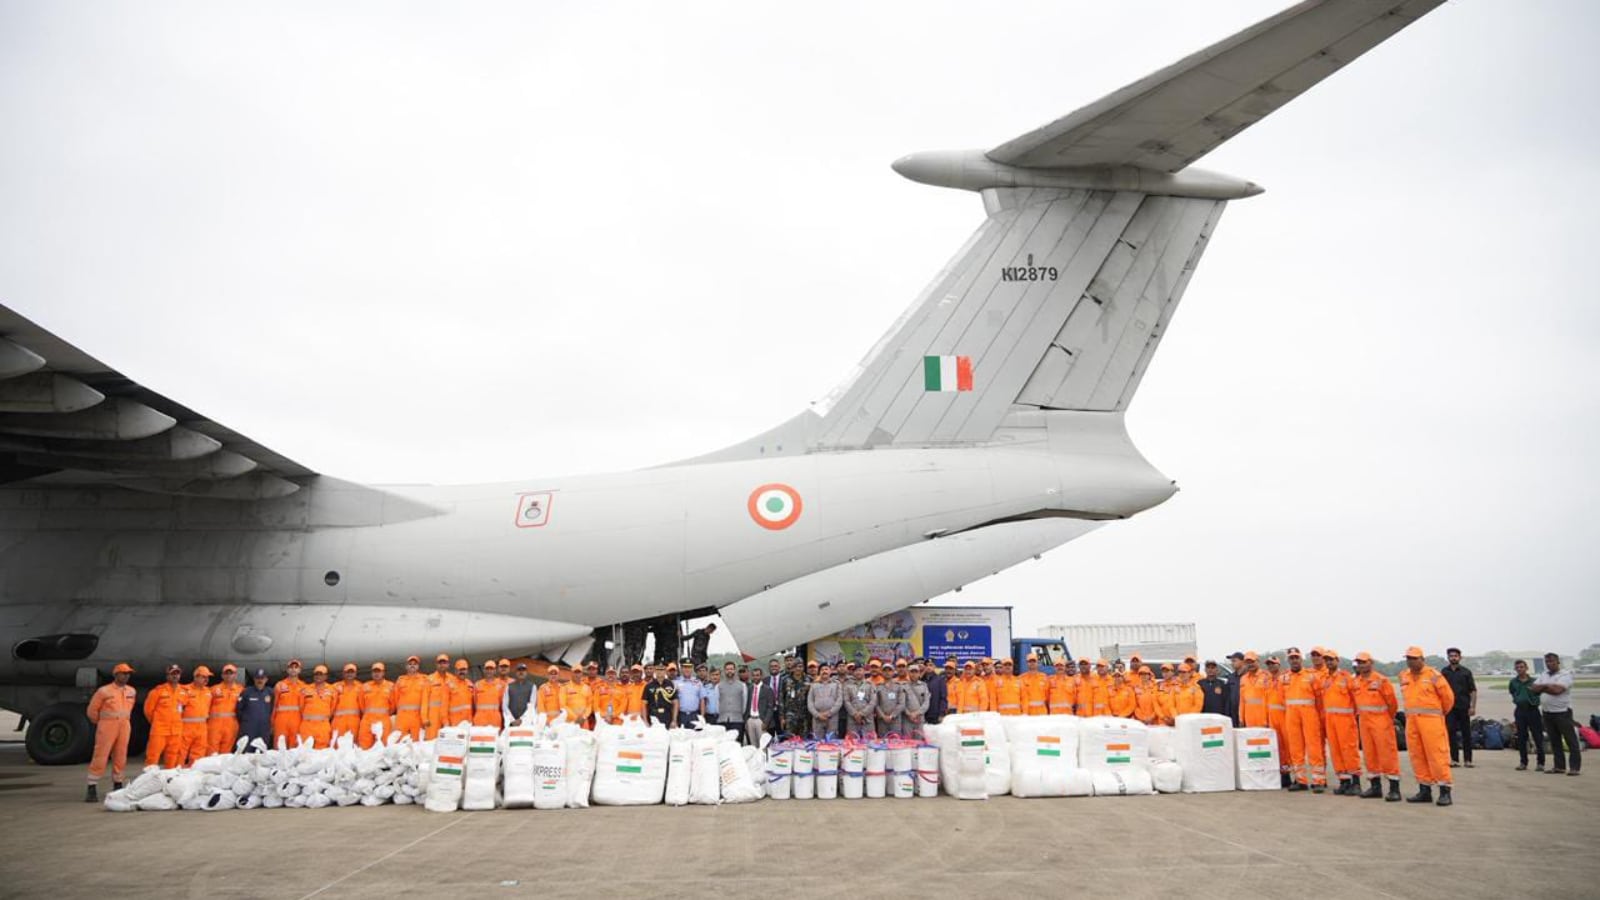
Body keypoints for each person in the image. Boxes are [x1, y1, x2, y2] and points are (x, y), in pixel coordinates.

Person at [1400, 645, 1456, 805]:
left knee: (1437, 756)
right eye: (1408, 659)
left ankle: (1445, 791)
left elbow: (1448, 699)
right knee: (1417, 755)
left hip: (1431, 722)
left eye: (1414, 658)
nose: (1410, 662)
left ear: (1422, 659)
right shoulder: (1404, 676)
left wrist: (1437, 714)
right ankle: (1424, 790)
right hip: (1412, 722)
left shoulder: (1433, 675)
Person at [1350, 651, 1401, 800]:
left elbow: (1392, 703)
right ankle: (1375, 786)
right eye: (1358, 663)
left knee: (1387, 755)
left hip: (1381, 721)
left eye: (1364, 662)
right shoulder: (1356, 682)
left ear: (1371, 663)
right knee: (1369, 755)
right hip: (1364, 722)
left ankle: (1394, 788)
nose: (1361, 665)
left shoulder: (1381, 680)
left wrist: (1387, 718)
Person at [84, 662, 137, 801]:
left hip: (124, 725)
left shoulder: (131, 691)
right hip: (108, 726)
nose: (126, 676)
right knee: (101, 755)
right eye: (124, 673)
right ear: (116, 675)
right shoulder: (104, 691)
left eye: (128, 674)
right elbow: (92, 711)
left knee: (121, 755)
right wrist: (101, 723)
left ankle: (118, 784)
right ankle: (92, 786)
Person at [1282, 647, 1327, 793]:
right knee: (1295, 748)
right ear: (1288, 660)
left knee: (1314, 747)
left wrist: (1319, 716)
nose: (1294, 660)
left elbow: (1319, 698)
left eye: (1296, 658)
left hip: (1309, 715)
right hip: (1291, 715)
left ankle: (1319, 780)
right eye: (1291, 658)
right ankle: (1300, 780)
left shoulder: (1311, 676)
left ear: (1301, 659)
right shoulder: (1284, 678)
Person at [1319, 650, 1361, 795]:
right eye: (1327, 660)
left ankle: (1355, 782)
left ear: (1338, 660)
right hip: (1330, 720)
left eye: (1331, 660)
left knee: (1349, 751)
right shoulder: (1324, 679)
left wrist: (1352, 715)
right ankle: (1344, 781)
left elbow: (1356, 698)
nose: (1329, 662)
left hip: (1345, 720)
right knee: (1336, 751)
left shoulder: (1346, 677)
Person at [1532, 652, 1580, 776]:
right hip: (1547, 713)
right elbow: (1533, 688)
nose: (1549, 664)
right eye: (1547, 662)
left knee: (1571, 741)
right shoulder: (1544, 674)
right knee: (1555, 741)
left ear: (1558, 662)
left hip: (1562, 713)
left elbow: (1557, 691)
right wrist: (1547, 685)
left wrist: (1542, 687)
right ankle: (1559, 766)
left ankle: (1574, 767)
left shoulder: (1565, 675)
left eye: (1552, 661)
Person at [143, 664, 188, 768]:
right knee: (153, 757)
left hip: (176, 731)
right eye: (172, 674)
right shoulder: (157, 691)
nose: (175, 676)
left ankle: (168, 780)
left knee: (172, 757)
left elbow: (183, 710)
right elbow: (148, 710)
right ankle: (149, 781)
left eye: (177, 673)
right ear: (167, 676)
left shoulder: (183, 692)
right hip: (160, 731)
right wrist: (156, 722)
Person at [1441, 647, 1477, 768]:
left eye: (1455, 656)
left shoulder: (1466, 672)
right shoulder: (1444, 672)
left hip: (1464, 707)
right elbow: (1440, 690)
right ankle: (1454, 759)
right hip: (1450, 708)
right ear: (1448, 658)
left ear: (1460, 657)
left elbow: (1472, 691)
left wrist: (1472, 706)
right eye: (1451, 656)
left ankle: (1468, 759)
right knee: (1451, 733)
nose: (1453, 658)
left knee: (1466, 733)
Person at [1509, 659, 1546, 772]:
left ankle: (1540, 763)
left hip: (1533, 710)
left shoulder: (1534, 681)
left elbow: (1540, 692)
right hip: (1520, 711)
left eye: (1522, 667)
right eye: (1518, 667)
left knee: (1537, 737)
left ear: (1526, 668)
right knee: (1521, 737)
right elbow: (1512, 692)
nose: (1520, 669)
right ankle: (1523, 762)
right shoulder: (1513, 682)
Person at [180, 665, 213, 766]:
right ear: (196, 677)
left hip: (202, 727)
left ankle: (192, 775)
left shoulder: (208, 692)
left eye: (207, 677)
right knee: (180, 753)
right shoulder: (184, 690)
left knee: (199, 754)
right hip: (186, 727)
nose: (206, 679)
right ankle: (175, 774)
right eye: (203, 677)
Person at [298, 665, 337, 749]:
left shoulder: (332, 690)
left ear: (326, 676)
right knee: (304, 751)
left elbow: (333, 708)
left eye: (321, 674)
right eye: (316, 674)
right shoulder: (305, 689)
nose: (318, 676)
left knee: (321, 753)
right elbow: (301, 707)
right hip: (307, 725)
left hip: (323, 725)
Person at [208, 664, 243, 755]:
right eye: (226, 673)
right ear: (222, 675)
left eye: (231, 673)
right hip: (215, 725)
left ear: (235, 675)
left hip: (231, 725)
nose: (228, 675)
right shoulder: (214, 689)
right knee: (212, 751)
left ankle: (223, 769)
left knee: (226, 753)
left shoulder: (241, 690)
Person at [360, 661, 397, 747]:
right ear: (371, 673)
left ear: (383, 673)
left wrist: (384, 714)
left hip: (383, 720)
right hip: (367, 720)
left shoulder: (391, 686)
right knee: (364, 745)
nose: (376, 674)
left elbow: (393, 705)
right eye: (374, 671)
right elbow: (361, 704)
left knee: (384, 745)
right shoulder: (365, 686)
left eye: (379, 671)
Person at [393, 655, 429, 741]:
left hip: (416, 717)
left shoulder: (424, 679)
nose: (412, 665)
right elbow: (395, 698)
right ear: (406, 666)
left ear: (418, 666)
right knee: (400, 742)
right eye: (410, 664)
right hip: (402, 717)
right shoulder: (400, 680)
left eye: (415, 664)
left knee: (416, 743)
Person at [271, 659, 305, 750]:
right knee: (279, 745)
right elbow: (274, 705)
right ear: (287, 670)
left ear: (299, 670)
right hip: (281, 720)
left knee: (294, 746)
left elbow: (304, 707)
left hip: (296, 720)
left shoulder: (303, 686)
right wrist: (272, 722)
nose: (293, 669)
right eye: (291, 667)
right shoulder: (280, 685)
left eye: (296, 667)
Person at [238, 669, 274, 752]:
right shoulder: (246, 692)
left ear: (266, 679)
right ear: (254, 679)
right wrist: (246, 721)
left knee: (262, 752)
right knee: (247, 751)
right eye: (257, 678)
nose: (260, 680)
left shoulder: (270, 692)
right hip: (248, 728)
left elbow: (273, 708)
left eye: (262, 678)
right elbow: (239, 709)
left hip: (264, 728)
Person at [423, 653, 455, 739]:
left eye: (444, 663)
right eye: (440, 663)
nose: (442, 665)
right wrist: (424, 718)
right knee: (431, 740)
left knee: (447, 740)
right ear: (436, 665)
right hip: (433, 716)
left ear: (448, 664)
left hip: (448, 716)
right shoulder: (430, 679)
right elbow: (424, 700)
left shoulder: (452, 679)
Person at [745, 664, 777, 745]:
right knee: (753, 744)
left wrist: (766, 722)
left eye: (757, 675)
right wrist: (746, 720)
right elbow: (747, 704)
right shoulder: (750, 688)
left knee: (763, 745)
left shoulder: (767, 689)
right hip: (751, 719)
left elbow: (770, 707)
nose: (755, 677)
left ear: (761, 676)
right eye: (754, 675)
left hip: (761, 720)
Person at [807, 665, 843, 737]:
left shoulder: (836, 684)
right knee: (818, 743)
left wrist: (829, 713)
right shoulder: (814, 685)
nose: (824, 671)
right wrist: (817, 715)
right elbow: (810, 702)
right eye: (822, 670)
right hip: (817, 718)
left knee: (832, 743)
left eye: (826, 669)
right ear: (819, 672)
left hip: (832, 718)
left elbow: (839, 701)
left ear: (830, 671)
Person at [331, 664, 363, 743]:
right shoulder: (335, 687)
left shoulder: (361, 687)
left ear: (355, 674)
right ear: (343, 673)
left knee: (353, 745)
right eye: (347, 672)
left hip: (354, 722)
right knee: (337, 745)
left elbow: (363, 705)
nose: (349, 674)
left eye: (352, 672)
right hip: (338, 721)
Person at [779, 660, 810, 737]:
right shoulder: (785, 680)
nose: (798, 669)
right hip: (790, 716)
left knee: (804, 741)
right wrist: (782, 717)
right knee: (789, 740)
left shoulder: (808, 680)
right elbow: (781, 698)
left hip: (804, 716)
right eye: (795, 667)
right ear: (792, 668)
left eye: (800, 666)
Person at [717, 662, 747, 740]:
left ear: (735, 670)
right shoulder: (718, 686)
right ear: (724, 671)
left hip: (737, 720)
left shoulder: (742, 685)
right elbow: (716, 703)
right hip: (722, 720)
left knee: (737, 744)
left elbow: (745, 703)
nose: (729, 671)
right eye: (727, 669)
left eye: (731, 669)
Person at [842, 667, 875, 738]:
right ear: (853, 673)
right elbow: (846, 701)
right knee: (852, 743)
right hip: (852, 719)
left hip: (867, 719)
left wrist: (862, 714)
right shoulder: (848, 685)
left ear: (864, 671)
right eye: (856, 670)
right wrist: (855, 714)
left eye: (860, 670)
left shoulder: (870, 685)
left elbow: (873, 701)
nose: (858, 672)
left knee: (869, 743)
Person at [472, 660, 503, 730]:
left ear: (495, 671)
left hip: (495, 720)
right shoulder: (477, 685)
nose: (489, 671)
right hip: (480, 720)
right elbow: (475, 702)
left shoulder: (500, 685)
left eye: (491, 669)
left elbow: (502, 703)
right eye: (487, 669)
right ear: (484, 670)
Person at [903, 662, 931, 739]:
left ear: (919, 673)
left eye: (916, 672)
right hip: (907, 720)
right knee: (907, 742)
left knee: (919, 743)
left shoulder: (924, 686)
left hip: (920, 719)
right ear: (908, 673)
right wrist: (909, 714)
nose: (914, 674)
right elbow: (902, 703)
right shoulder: (903, 686)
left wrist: (917, 713)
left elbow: (926, 702)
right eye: (912, 672)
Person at [673, 662, 704, 728]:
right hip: (680, 715)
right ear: (681, 669)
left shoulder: (698, 683)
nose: (687, 669)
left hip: (694, 715)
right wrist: (674, 719)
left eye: (689, 667)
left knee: (696, 737)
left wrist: (702, 717)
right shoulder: (675, 682)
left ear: (692, 669)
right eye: (685, 667)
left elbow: (702, 700)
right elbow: (673, 701)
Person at [447, 659, 475, 731]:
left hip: (468, 723)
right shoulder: (449, 685)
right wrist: (446, 722)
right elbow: (444, 706)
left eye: (464, 670)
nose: (462, 672)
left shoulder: (470, 685)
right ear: (455, 671)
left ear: (467, 671)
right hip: (454, 724)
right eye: (460, 670)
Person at [1224, 651, 1245, 726]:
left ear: (1243, 661)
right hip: (1233, 713)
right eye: (1231, 661)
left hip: (1245, 712)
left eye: (1234, 660)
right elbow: (1228, 697)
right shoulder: (1231, 677)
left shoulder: (1248, 676)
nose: (1232, 663)